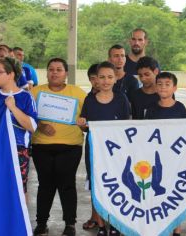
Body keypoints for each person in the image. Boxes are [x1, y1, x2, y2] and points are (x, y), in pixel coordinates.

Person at [144, 71, 186, 236]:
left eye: (167, 84)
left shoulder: (180, 108)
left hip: (175, 159)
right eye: (159, 84)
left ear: (175, 88)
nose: (163, 87)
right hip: (155, 159)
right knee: (156, 191)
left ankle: (177, 228)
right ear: (155, 87)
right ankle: (158, 225)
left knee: (174, 193)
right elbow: (145, 134)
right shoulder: (150, 109)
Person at [31, 58, 86, 236]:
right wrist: (40, 125)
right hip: (42, 146)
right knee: (45, 185)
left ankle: (70, 224)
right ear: (46, 73)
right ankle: (41, 223)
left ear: (66, 74)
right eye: (51, 69)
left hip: (71, 146)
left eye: (59, 69)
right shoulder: (35, 92)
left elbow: (87, 119)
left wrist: (83, 124)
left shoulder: (77, 93)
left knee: (67, 185)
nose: (54, 72)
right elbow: (26, 116)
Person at [77, 61, 130, 236]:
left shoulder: (122, 99)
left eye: (109, 77)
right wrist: (82, 124)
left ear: (115, 79)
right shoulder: (90, 100)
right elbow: (84, 127)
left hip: (116, 153)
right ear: (96, 80)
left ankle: (114, 224)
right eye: (102, 77)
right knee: (97, 187)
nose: (106, 81)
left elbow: (127, 127)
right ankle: (101, 225)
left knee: (116, 186)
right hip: (94, 151)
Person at [0, 57, 37, 201]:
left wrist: (13, 108)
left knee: (18, 191)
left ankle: (20, 223)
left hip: (18, 151)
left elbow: (32, 127)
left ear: (11, 74)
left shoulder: (26, 97)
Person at [82, 63, 100, 231]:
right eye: (93, 78)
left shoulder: (118, 98)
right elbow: (83, 125)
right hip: (92, 147)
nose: (97, 82)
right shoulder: (88, 99)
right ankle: (95, 217)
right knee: (95, 182)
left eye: (99, 77)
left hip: (114, 149)